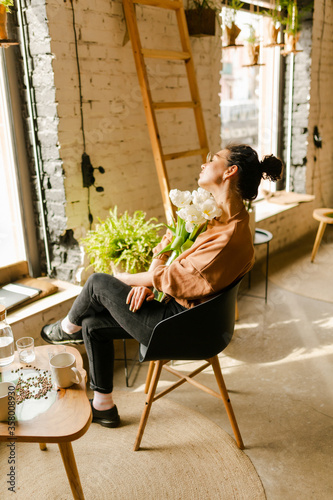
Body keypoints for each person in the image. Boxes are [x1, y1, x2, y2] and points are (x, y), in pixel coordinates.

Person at [41, 144, 283, 428]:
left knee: (97, 283)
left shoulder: (227, 237)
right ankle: (103, 406)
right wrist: (151, 282)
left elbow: (170, 277)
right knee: (93, 324)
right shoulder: (219, 219)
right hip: (184, 313)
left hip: (180, 328)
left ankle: (67, 329)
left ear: (230, 171)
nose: (204, 164)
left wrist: (127, 280)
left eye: (213, 159)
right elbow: (172, 269)